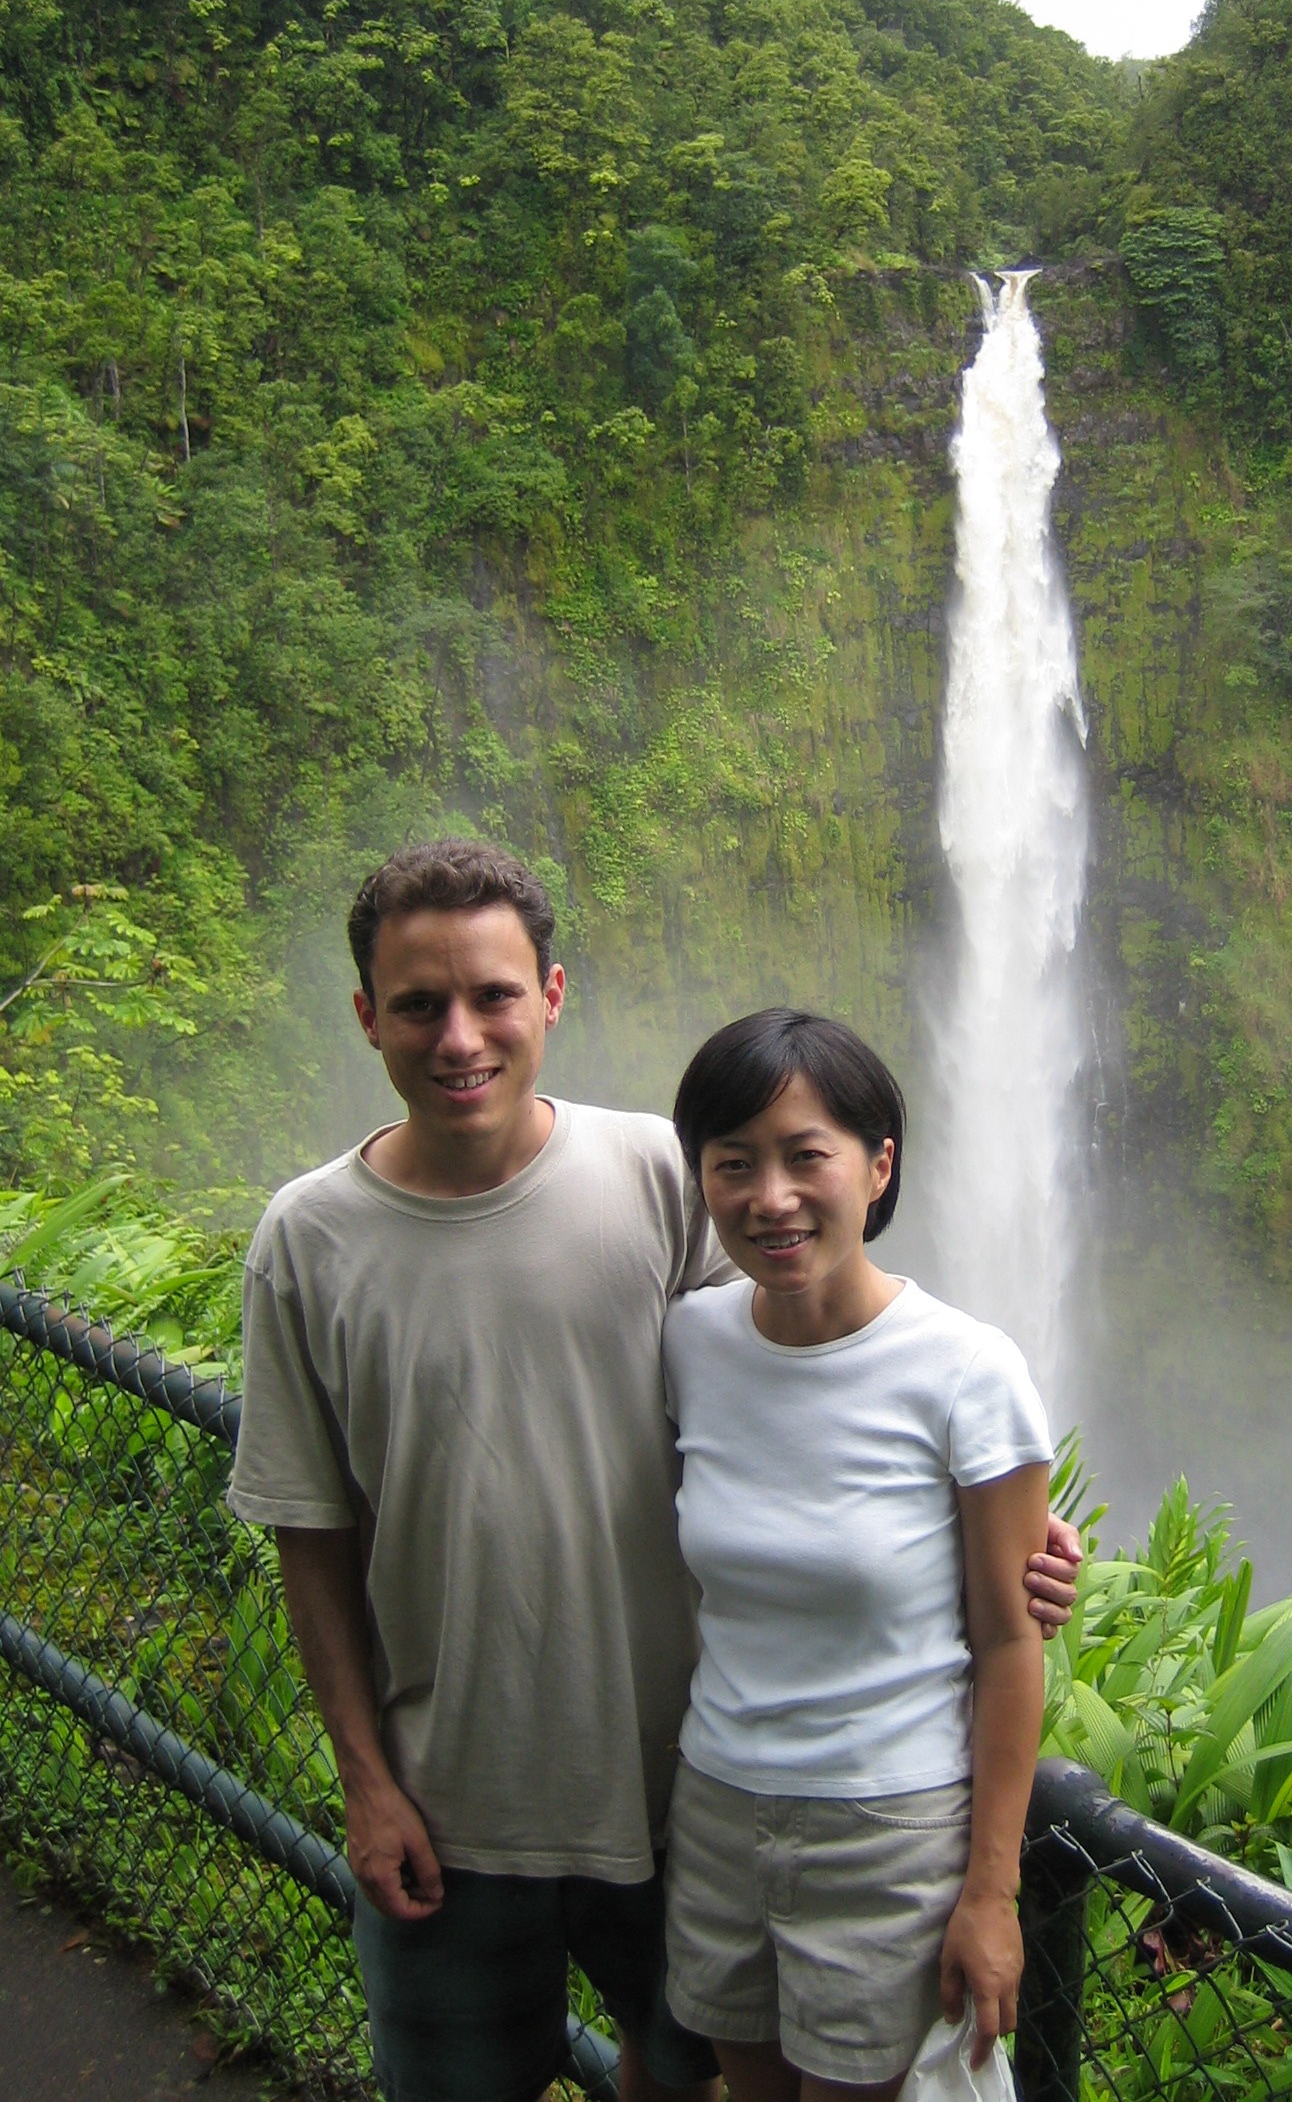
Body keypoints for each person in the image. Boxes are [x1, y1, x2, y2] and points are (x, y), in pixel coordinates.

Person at [227, 840, 1083, 2102]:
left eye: (494, 995)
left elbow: (823, 1368)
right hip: (450, 1804)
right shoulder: (307, 1239)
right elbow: (311, 1538)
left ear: (553, 995)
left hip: (681, 1796)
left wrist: (1008, 1536)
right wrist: (364, 1784)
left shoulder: (658, 1178)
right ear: (367, 1015)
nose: (460, 1035)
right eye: (419, 1003)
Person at [661, 1008, 1053, 2102]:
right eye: (734, 1163)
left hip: (888, 1831)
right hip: (717, 1802)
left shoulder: (970, 1370)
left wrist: (993, 1892)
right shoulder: (688, 1340)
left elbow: (1010, 1641)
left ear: (878, 1166)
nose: (769, 1196)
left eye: (805, 1156)